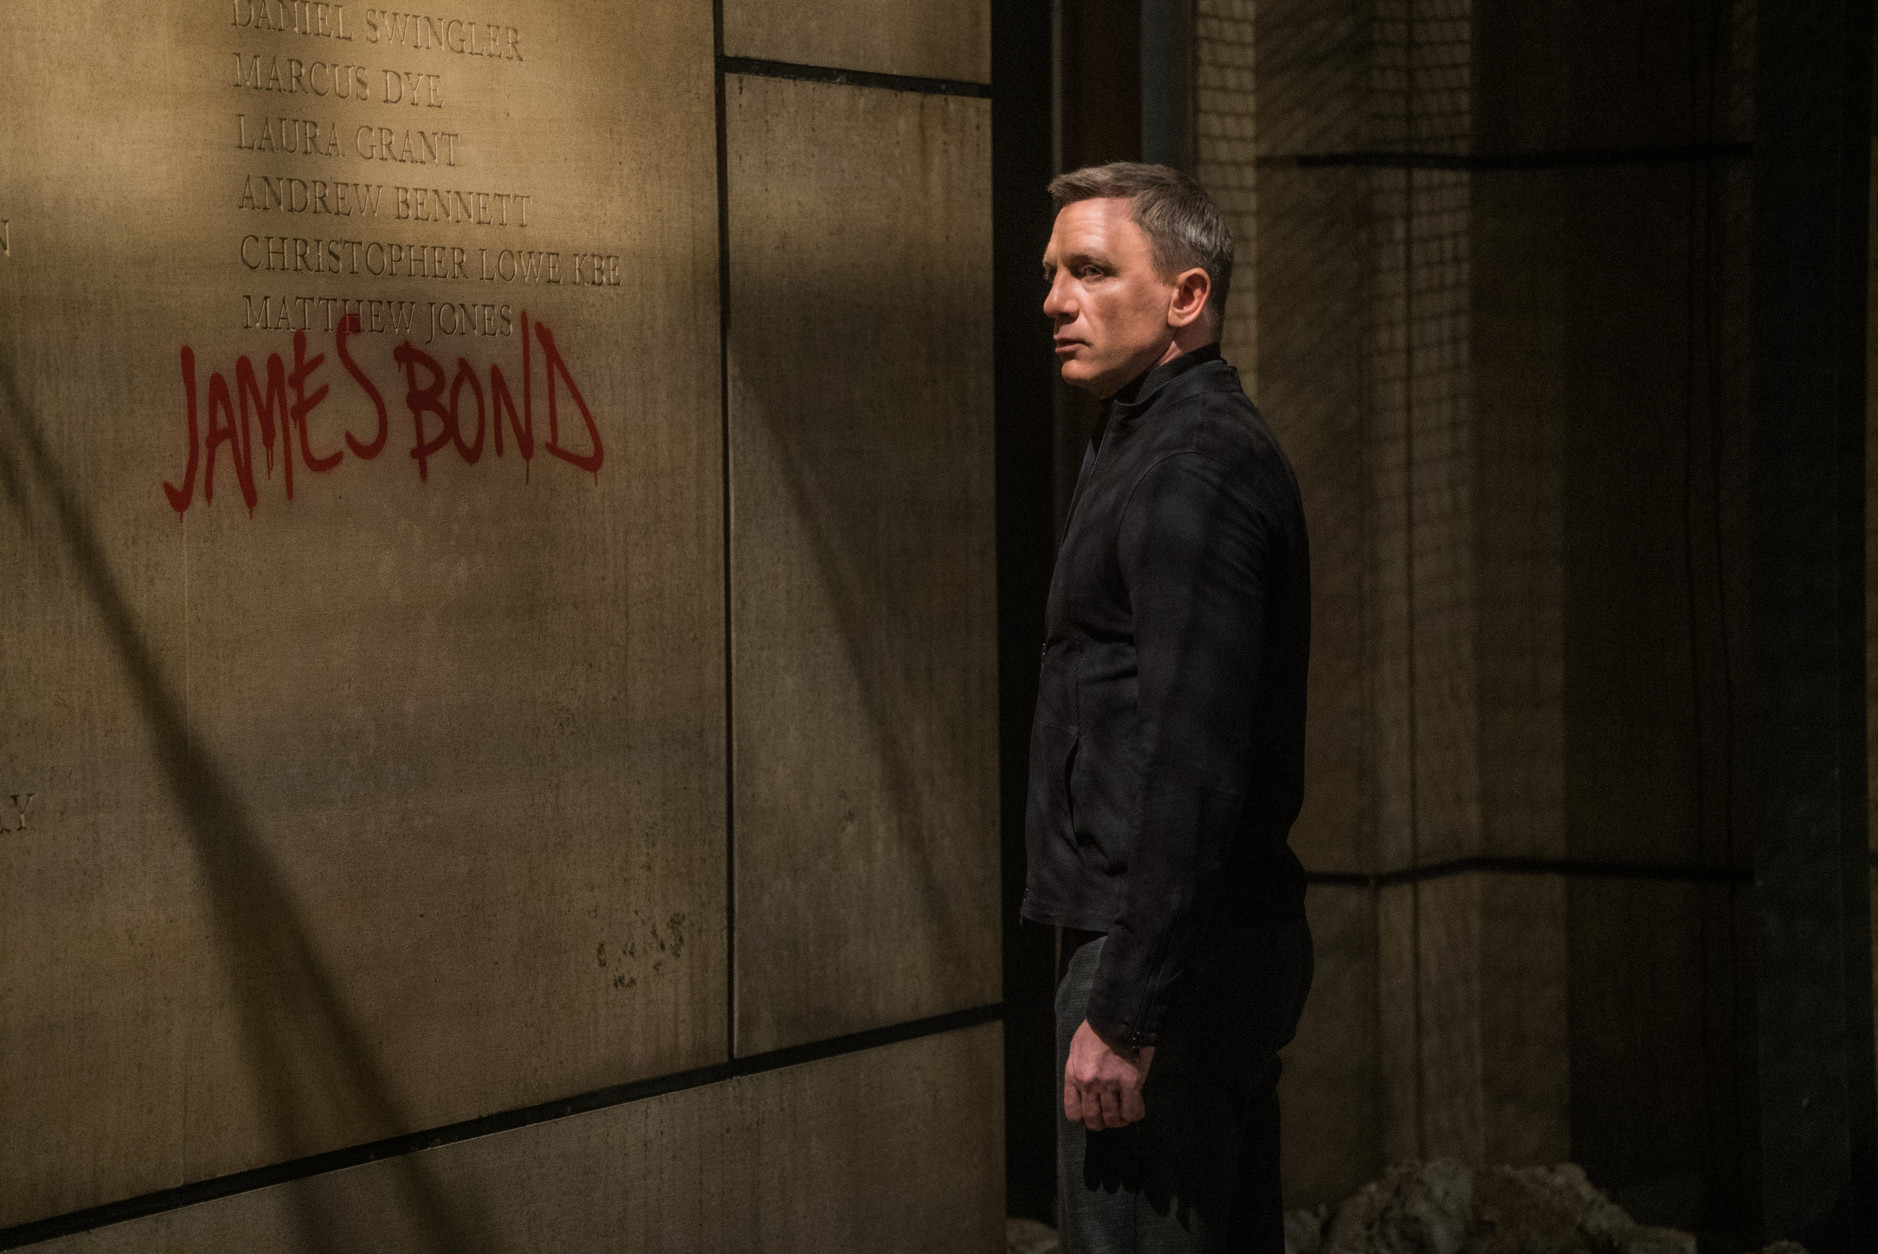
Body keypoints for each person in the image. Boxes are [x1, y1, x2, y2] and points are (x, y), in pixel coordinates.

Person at [1022, 162, 1314, 1253]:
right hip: (1173, 950)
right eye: (1052, 273)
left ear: (1187, 296)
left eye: (1092, 270)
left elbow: (1195, 760)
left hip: (1162, 964)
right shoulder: (1143, 440)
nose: (1056, 300)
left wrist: (1127, 1011)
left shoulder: (1191, 466)